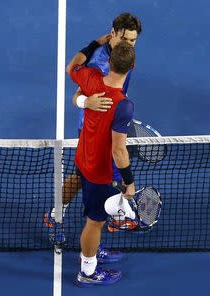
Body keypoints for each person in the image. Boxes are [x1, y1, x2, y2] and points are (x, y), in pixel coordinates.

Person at [44, 13, 142, 245]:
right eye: (126, 39)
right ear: (114, 32)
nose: (129, 44)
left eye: (133, 41)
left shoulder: (122, 56)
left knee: (81, 175)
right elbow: (78, 91)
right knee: (111, 171)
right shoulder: (100, 62)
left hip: (112, 117)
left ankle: (56, 215)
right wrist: (85, 102)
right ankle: (115, 214)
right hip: (94, 127)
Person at [69, 40, 137, 287]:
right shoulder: (123, 105)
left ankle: (92, 251)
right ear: (132, 66)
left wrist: (93, 45)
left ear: (109, 62)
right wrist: (129, 182)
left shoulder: (92, 79)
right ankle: (87, 271)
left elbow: (72, 67)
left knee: (95, 220)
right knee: (95, 221)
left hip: (82, 157)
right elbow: (119, 151)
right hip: (100, 172)